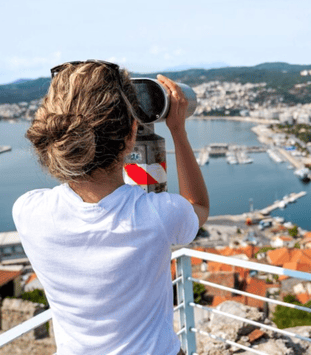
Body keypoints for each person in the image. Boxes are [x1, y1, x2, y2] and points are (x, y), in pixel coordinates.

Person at [12, 60, 209, 355]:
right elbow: (199, 206)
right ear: (131, 134)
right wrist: (178, 131)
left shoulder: (27, 211)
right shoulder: (159, 215)